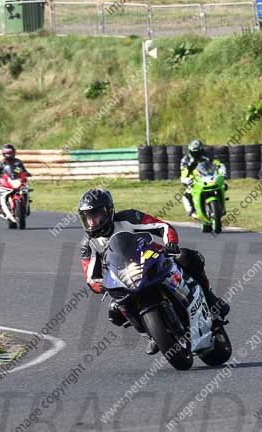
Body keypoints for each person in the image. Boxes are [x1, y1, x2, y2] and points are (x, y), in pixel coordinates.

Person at [78, 189, 230, 355]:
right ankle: (150, 335)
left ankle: (211, 298)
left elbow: (163, 226)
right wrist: (104, 286)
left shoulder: (128, 218)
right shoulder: (88, 245)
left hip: (151, 259)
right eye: (87, 218)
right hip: (124, 278)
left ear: (109, 211)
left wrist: (170, 243)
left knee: (188, 257)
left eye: (96, 215)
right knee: (114, 311)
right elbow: (91, 277)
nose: (92, 222)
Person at [179, 139, 227, 217]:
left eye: (198, 152)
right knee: (187, 193)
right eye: (194, 152)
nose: (196, 154)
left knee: (223, 186)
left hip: (209, 176)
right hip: (194, 179)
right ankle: (192, 210)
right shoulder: (186, 159)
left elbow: (218, 163)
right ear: (190, 151)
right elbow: (183, 172)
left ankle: (221, 205)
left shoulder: (208, 155)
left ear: (201, 150)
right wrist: (186, 179)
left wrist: (222, 171)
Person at [0, 144, 31, 216]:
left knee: (26, 190)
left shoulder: (18, 162)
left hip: (16, 180)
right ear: (4, 153)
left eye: (10, 153)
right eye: (7, 153)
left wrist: (26, 174)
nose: (9, 155)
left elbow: (23, 170)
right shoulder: (1, 163)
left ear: (13, 153)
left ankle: (27, 206)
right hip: (6, 182)